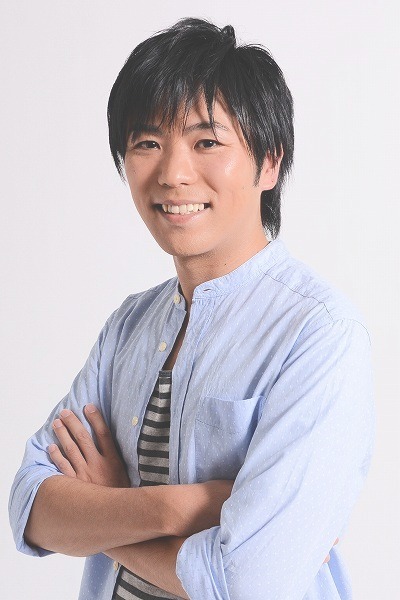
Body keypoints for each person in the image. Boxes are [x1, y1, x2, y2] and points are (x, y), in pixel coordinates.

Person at [9, 17, 375, 600]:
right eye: (147, 143)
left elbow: (248, 583)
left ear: (269, 162)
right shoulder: (129, 326)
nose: (173, 174)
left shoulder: (320, 335)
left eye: (207, 142)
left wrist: (103, 513)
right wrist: (177, 506)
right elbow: (29, 508)